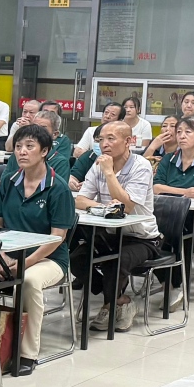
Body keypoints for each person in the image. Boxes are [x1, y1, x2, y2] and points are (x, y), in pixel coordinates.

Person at [0, 123, 78, 373]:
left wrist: (24, 263)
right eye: (18, 146)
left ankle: (27, 353)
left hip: (49, 259)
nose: (22, 151)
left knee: (29, 281)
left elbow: (57, 238)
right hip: (8, 255)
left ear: (44, 151)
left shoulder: (58, 188)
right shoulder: (8, 181)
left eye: (29, 146)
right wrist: (1, 257)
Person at [78, 121, 165, 331]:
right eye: (101, 140)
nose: (104, 144)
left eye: (111, 139)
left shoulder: (141, 166)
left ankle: (110, 306)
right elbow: (80, 200)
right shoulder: (98, 165)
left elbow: (127, 206)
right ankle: (119, 300)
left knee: (116, 262)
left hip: (142, 238)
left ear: (128, 141)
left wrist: (109, 173)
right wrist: (104, 208)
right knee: (76, 258)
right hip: (111, 234)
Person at [153, 114, 194, 253]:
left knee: (180, 245)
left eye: (188, 132)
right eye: (179, 132)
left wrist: (169, 190)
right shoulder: (168, 159)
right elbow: (156, 187)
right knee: (154, 244)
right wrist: (185, 192)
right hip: (169, 218)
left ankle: (181, 268)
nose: (182, 136)